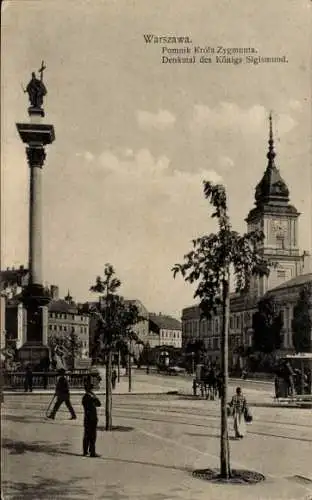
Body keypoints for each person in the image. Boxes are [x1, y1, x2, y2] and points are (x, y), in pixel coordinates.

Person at [82, 380, 101, 457]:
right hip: (91, 419)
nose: (92, 390)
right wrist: (95, 396)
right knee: (92, 436)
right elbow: (99, 404)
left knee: (86, 436)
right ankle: (92, 452)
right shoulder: (90, 397)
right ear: (89, 389)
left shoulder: (85, 397)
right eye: (91, 389)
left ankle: (85, 451)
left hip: (87, 419)